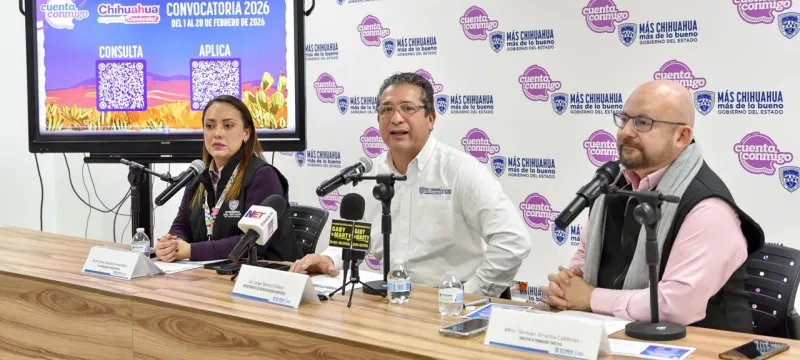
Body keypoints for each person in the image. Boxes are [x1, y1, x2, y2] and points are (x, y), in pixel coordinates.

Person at [539, 80, 764, 332]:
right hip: (620, 334)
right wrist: (567, 286)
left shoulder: (709, 209)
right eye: (624, 119)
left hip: (705, 343)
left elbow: (676, 305)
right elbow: (584, 256)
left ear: (681, 136)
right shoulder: (612, 186)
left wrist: (591, 298)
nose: (626, 132)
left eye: (643, 123)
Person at [290, 72, 532, 296]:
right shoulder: (370, 173)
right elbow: (355, 236)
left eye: (408, 108)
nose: (396, 119)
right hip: (391, 297)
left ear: (431, 119)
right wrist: (329, 259)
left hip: (446, 301)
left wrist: (468, 293)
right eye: (386, 110)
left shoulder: (460, 170)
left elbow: (513, 241)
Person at [155, 94, 302, 263]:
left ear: (246, 133)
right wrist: (172, 245)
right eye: (210, 126)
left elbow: (253, 242)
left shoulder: (263, 176)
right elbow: (181, 226)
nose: (217, 133)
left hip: (266, 273)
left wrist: (191, 250)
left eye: (228, 125)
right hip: (212, 272)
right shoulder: (198, 177)